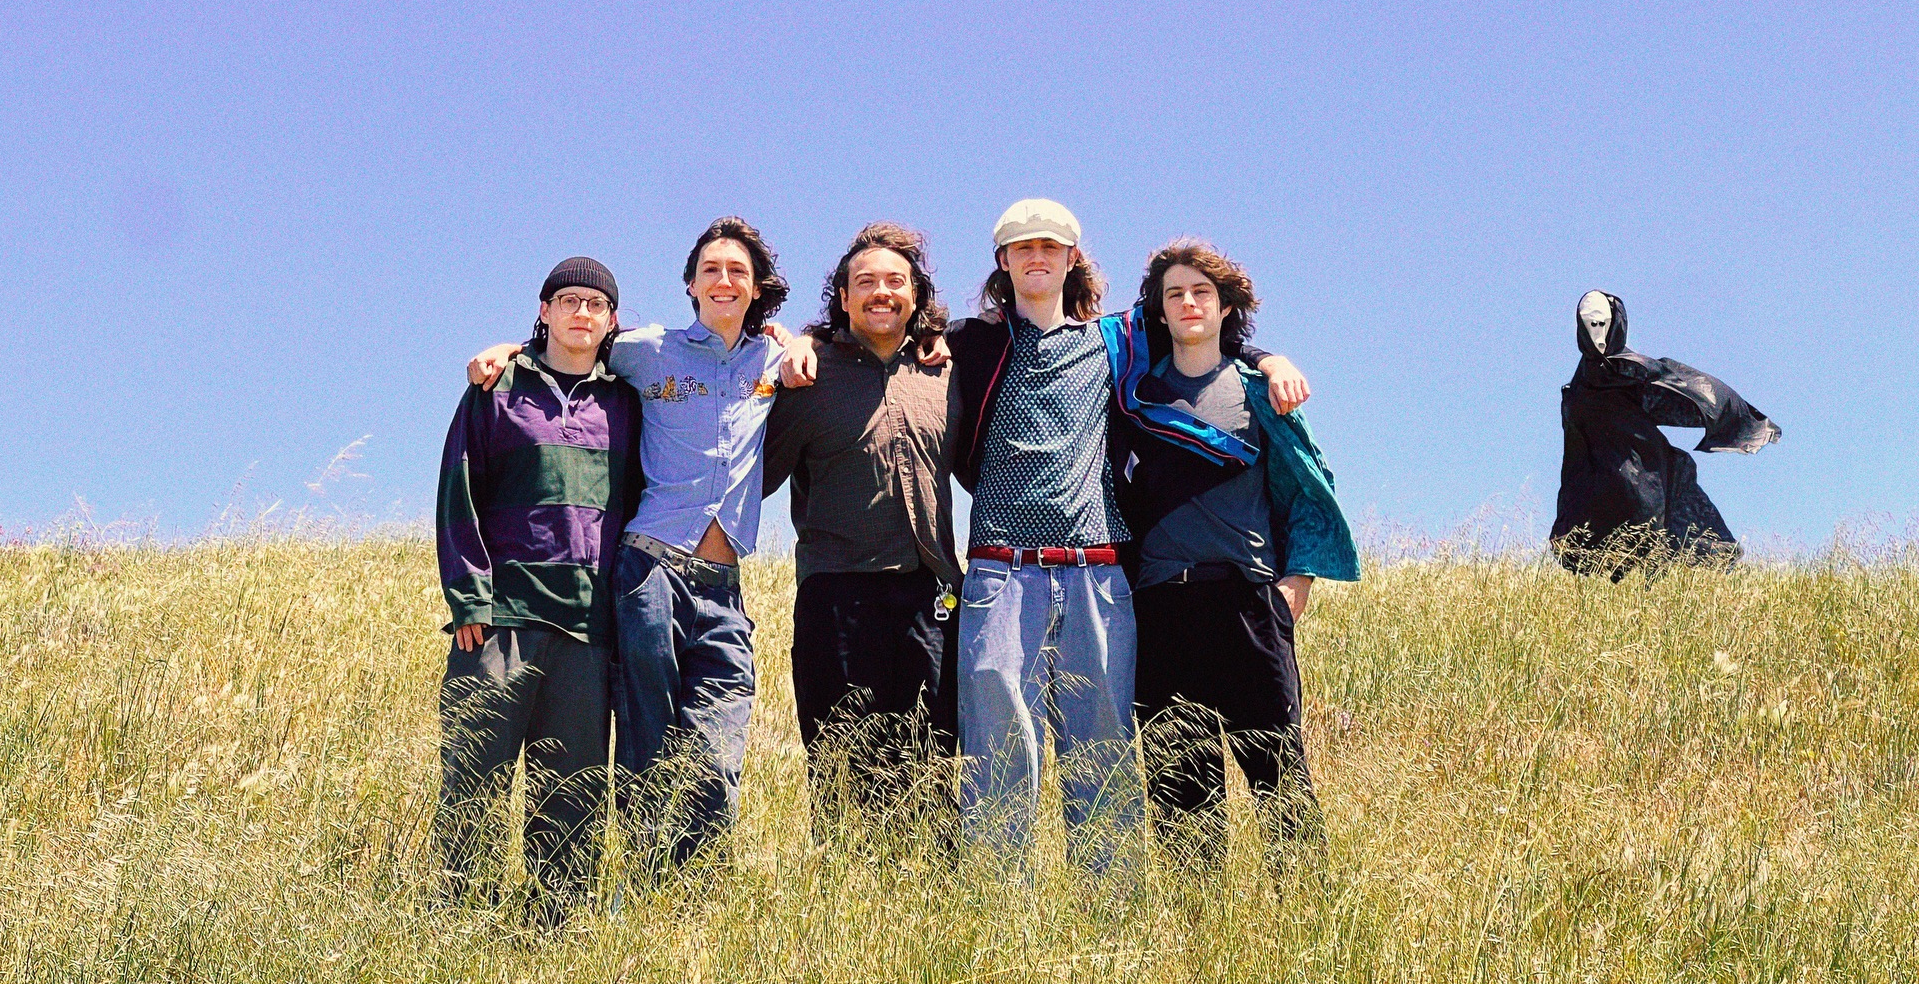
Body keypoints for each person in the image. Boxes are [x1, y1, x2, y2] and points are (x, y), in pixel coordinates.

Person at [944, 200, 1312, 879]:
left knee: (1104, 758)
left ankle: (1108, 925)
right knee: (1000, 754)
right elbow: (884, 333)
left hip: (1098, 574)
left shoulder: (1116, 340)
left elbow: (1200, 325)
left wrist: (1269, 355)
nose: (1037, 258)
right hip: (1000, 569)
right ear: (1003, 262)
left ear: (1071, 259)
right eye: (1022, 248)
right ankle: (998, 925)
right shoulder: (969, 342)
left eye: (1050, 247)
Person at [467, 219, 816, 874]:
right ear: (690, 284)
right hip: (649, 574)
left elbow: (811, 358)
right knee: (646, 748)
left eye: (737, 271)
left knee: (716, 756)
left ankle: (697, 896)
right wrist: (509, 349)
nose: (723, 280)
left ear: (756, 287)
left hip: (723, 587)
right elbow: (577, 336)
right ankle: (648, 895)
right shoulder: (648, 348)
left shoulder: (773, 358)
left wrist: (795, 339)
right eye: (711, 269)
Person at [1105, 240, 1358, 878]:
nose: (1188, 303)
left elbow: (1307, 488)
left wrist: (1294, 583)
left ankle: (1303, 922)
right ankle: (1199, 940)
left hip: (1249, 603)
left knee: (1280, 776)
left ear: (1224, 307)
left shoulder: (1257, 391)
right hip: (1160, 607)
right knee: (1179, 792)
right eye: (1174, 294)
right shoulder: (1133, 395)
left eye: (1201, 293)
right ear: (1157, 312)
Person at [435, 256, 641, 916]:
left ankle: (556, 940)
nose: (583, 313)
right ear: (545, 310)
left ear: (612, 321)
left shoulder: (626, 403)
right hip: (501, 624)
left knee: (573, 797)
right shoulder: (496, 392)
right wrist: (470, 597)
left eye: (596, 305)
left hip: (586, 633)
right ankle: (458, 930)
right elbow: (458, 490)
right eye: (569, 300)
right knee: (473, 788)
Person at [762, 222, 959, 843]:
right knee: (843, 770)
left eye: (894, 282)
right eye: (864, 282)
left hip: (928, 597)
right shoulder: (807, 375)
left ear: (916, 295)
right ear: (842, 298)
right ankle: (854, 905)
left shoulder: (946, 370)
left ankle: (930, 911)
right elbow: (756, 472)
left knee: (930, 770)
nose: (881, 292)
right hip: (836, 596)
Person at [1550, 290, 1780, 578]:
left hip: (1650, 474)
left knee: (1677, 539)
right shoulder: (1579, 389)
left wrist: (1743, 421)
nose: (1596, 332)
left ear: (1615, 325)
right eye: (1589, 325)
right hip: (1604, 484)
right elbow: (1574, 450)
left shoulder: (1633, 371)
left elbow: (1688, 389)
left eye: (1601, 324)